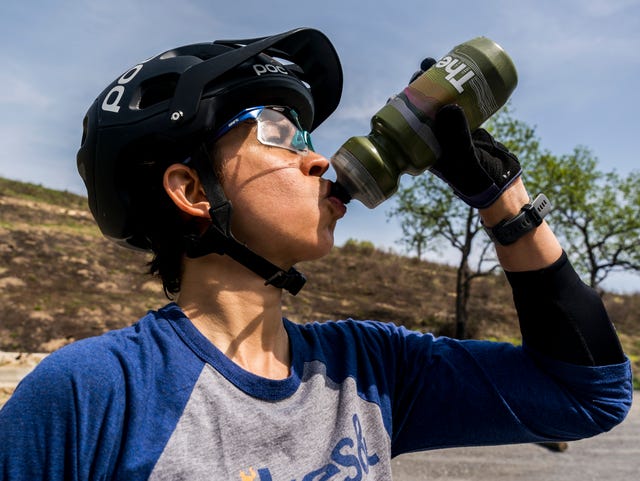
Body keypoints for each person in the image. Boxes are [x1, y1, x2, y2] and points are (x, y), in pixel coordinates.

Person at [0, 27, 632, 480]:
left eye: (310, 133)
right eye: (277, 132)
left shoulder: (370, 369)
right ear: (192, 190)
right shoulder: (92, 394)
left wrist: (501, 198)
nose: (319, 158)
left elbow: (586, 396)